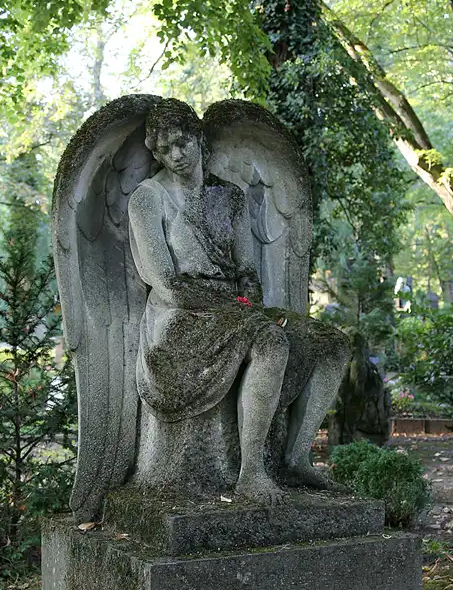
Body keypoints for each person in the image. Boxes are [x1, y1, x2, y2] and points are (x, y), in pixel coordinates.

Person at [128, 99, 348, 499]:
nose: (176, 155)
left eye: (182, 142)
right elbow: (167, 284)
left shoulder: (229, 196)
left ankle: (296, 459)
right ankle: (251, 474)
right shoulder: (148, 198)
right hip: (178, 317)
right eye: (164, 149)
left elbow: (247, 269)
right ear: (155, 154)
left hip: (233, 308)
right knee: (270, 340)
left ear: (198, 137)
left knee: (332, 344)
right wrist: (242, 312)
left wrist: (250, 300)